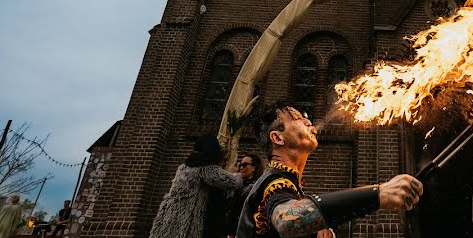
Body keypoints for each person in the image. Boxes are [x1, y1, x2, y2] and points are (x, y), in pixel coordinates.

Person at [236, 101, 422, 238]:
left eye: (305, 118)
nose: (308, 122)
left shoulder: (290, 186)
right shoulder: (274, 181)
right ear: (277, 138)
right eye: (297, 119)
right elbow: (287, 221)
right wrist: (377, 194)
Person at [149, 134, 242, 238]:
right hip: (187, 220)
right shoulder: (205, 168)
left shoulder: (185, 166)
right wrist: (238, 175)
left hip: (170, 217)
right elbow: (233, 182)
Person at [227, 153, 265, 237]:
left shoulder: (257, 188)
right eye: (240, 165)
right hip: (232, 230)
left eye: (245, 165)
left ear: (254, 168)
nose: (241, 168)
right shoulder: (236, 186)